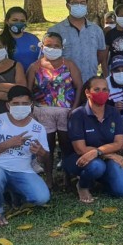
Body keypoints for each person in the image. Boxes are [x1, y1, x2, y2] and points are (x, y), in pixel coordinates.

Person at [0, 86, 50, 227]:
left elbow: (45, 158)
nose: (20, 107)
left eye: (24, 104)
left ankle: (11, 192)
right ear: (8, 105)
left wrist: (41, 152)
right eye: (16, 104)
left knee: (42, 198)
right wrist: (7, 144)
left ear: (31, 105)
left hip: (22, 170)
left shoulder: (37, 128)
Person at [26, 32, 83, 188]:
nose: (52, 48)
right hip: (43, 112)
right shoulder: (35, 66)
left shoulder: (69, 64)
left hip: (66, 111)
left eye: (56, 46)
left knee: (66, 145)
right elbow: (28, 90)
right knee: (47, 146)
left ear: (62, 47)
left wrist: (75, 107)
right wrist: (31, 109)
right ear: (42, 47)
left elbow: (79, 87)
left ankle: (67, 176)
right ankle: (49, 178)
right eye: (49, 45)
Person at [65, 77, 123, 203]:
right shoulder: (78, 115)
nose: (101, 93)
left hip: (103, 158)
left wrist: (98, 152)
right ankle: (83, 185)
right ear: (87, 92)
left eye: (105, 89)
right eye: (97, 89)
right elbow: (80, 149)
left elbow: (119, 142)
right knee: (97, 166)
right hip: (79, 159)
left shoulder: (114, 113)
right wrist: (107, 154)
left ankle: (100, 179)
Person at [48, 0, 108, 84]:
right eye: (75, 3)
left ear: (86, 5)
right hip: (64, 83)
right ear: (68, 6)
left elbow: (101, 55)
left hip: (89, 81)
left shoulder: (96, 30)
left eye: (82, 3)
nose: (79, 6)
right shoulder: (55, 30)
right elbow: (47, 57)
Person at [0, 6, 40, 71]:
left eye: (22, 21)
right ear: (6, 21)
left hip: (34, 79)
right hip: (12, 80)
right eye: (15, 20)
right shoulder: (0, 41)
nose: (18, 23)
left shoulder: (33, 38)